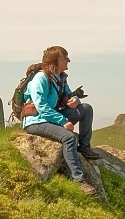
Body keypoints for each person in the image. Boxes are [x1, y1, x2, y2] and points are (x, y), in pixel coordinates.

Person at [22, 46, 99, 195]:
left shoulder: (59, 77)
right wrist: (63, 121)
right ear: (55, 60)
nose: (68, 60)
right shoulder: (41, 78)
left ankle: (84, 147)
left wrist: (75, 101)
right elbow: (41, 107)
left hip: (51, 116)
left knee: (86, 108)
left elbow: (70, 95)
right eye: (65, 57)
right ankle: (78, 180)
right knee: (68, 137)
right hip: (36, 121)